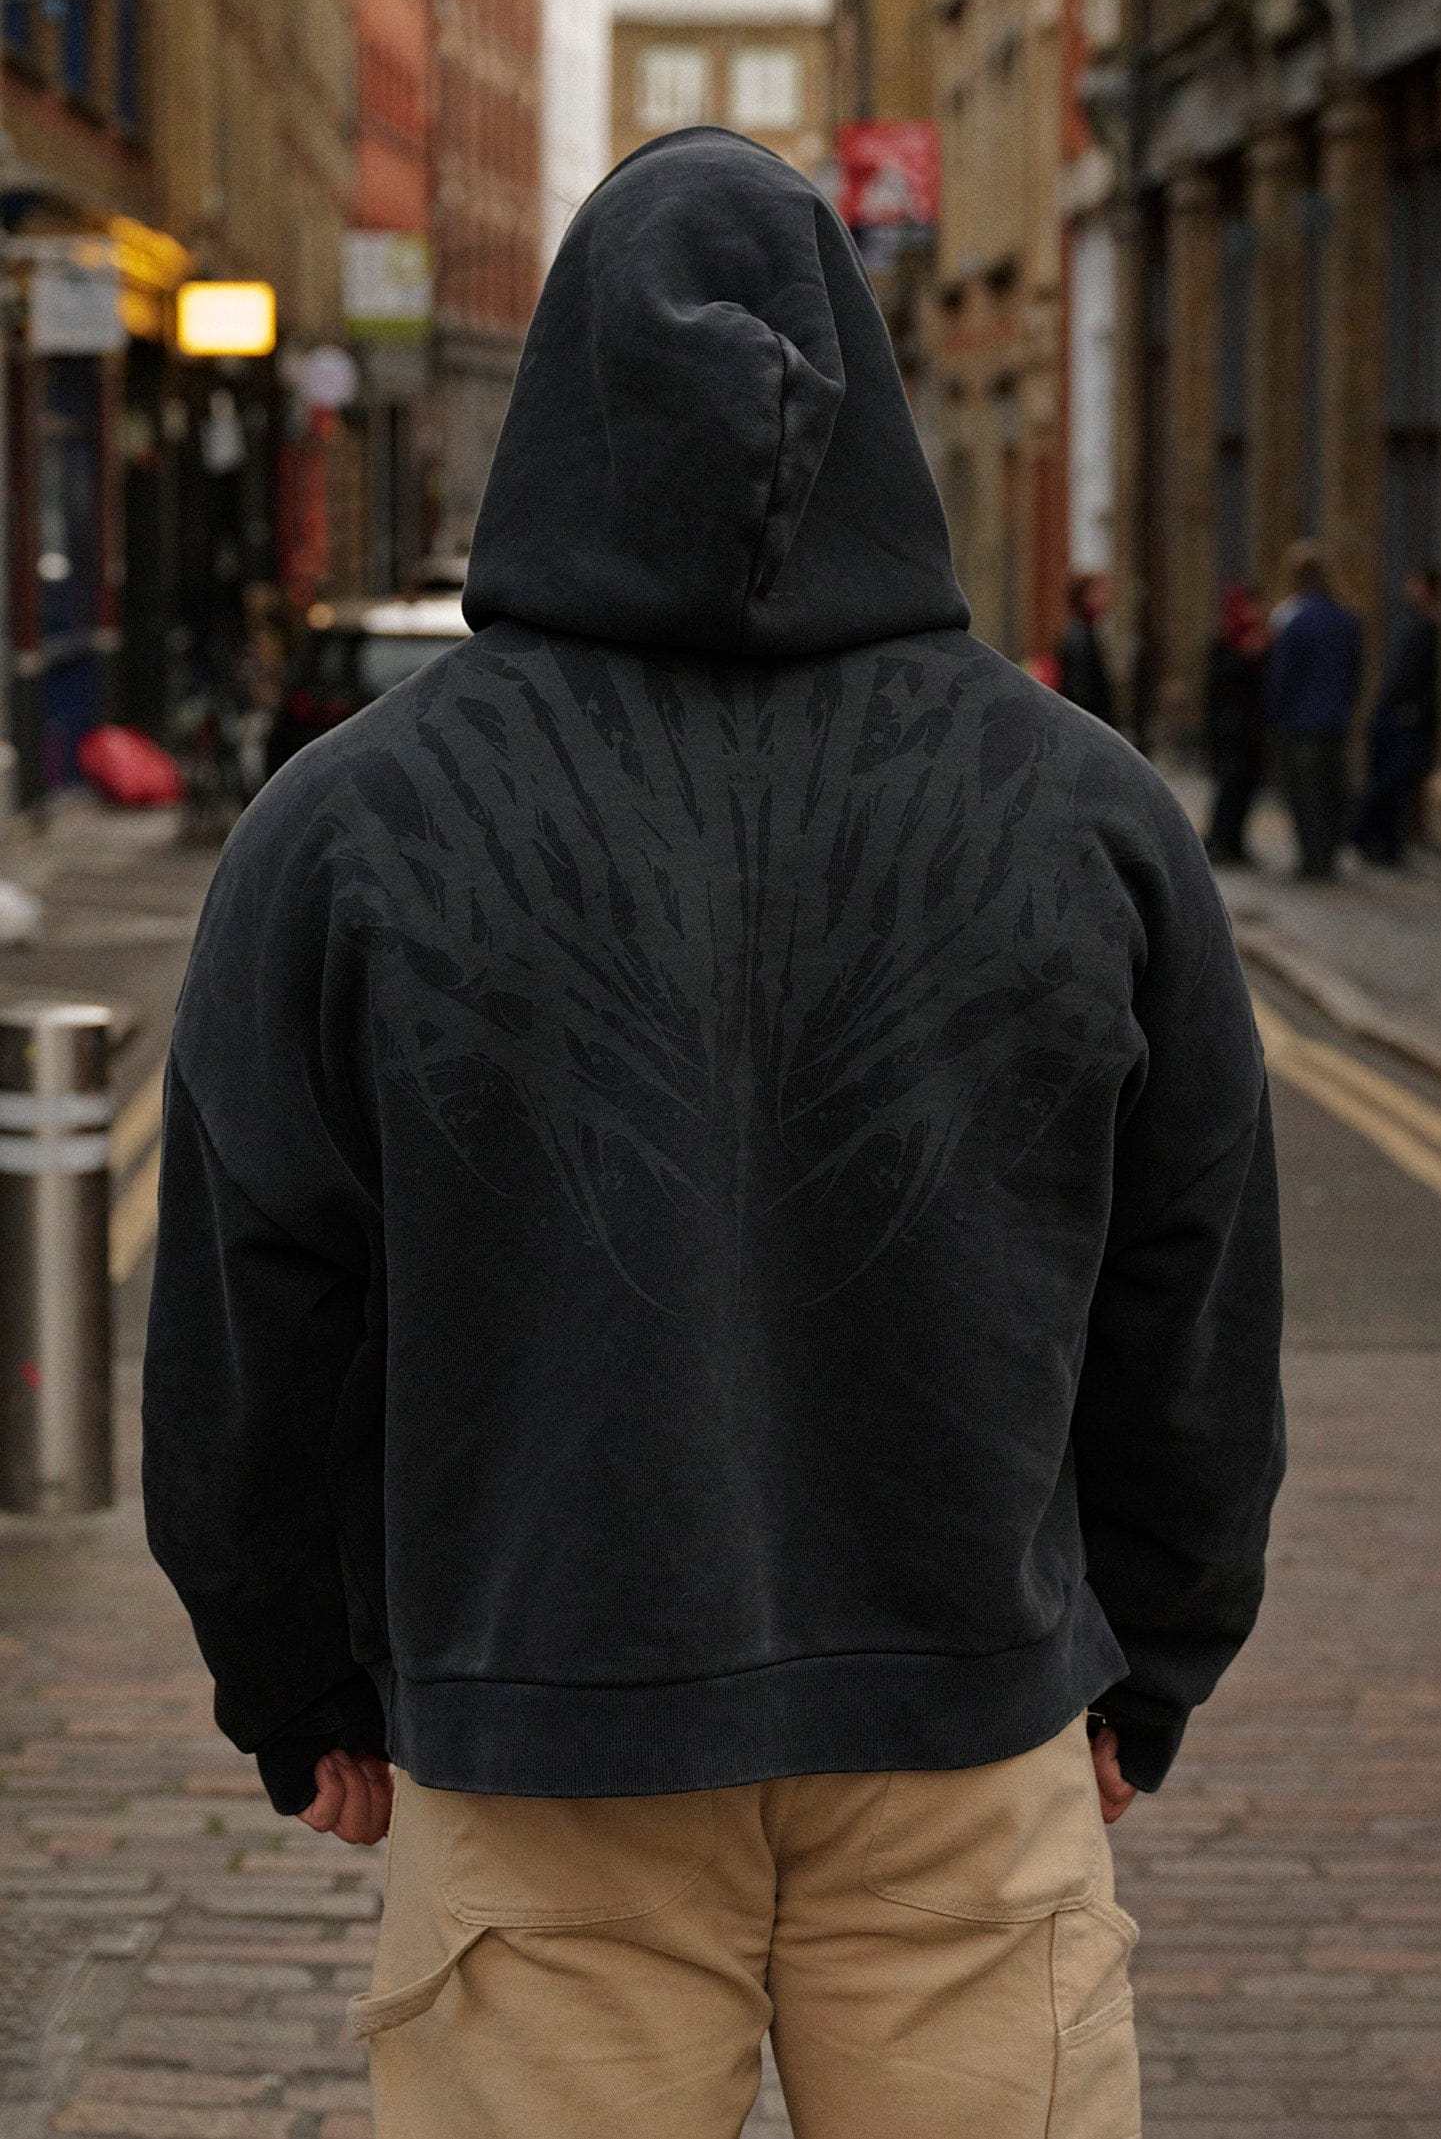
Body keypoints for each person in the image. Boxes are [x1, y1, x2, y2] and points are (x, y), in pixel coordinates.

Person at [141, 130, 1285, 2139]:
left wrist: (295, 1680)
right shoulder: (1086, 809)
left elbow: (255, 1308)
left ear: (558, 410)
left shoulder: (347, 826)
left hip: (542, 1724)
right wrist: (1155, 1648)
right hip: (962, 1722)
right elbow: (1187, 1278)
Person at [1265, 541, 1364, 880]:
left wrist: (1274, 716)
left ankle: (1313, 858)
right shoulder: (1346, 619)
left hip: (1298, 722)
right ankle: (1329, 855)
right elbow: (1354, 672)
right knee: (1332, 789)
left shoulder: (1294, 620)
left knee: (1305, 794)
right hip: (1334, 720)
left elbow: (1283, 675)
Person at [1352, 567, 1440, 867]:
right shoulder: (1414, 624)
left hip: (1406, 718)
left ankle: (1380, 840)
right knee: (1389, 783)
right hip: (1401, 717)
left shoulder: (1422, 627)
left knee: (1394, 783)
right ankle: (1376, 840)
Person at [1203, 582, 1270, 866]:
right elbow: (1219, 685)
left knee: (1246, 788)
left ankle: (1235, 842)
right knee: (1229, 788)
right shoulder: (1226, 643)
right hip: (1230, 730)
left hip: (1251, 731)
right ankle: (1220, 841)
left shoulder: (1261, 640)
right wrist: (1245, 657)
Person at [1057, 571, 1115, 725]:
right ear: (1084, 597)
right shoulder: (1078, 636)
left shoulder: (1088, 632)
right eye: (1099, 593)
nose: (1106, 600)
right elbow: (1079, 690)